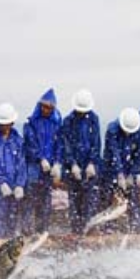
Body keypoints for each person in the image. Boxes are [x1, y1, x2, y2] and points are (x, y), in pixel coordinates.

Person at [59, 89, 102, 234]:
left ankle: (89, 231)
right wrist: (72, 164)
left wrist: (92, 162)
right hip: (73, 170)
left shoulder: (94, 119)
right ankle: (76, 232)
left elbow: (96, 143)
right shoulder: (68, 121)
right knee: (75, 203)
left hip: (90, 169)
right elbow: (66, 145)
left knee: (90, 202)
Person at [0, 103, 27, 238]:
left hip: (14, 190)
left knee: (12, 225)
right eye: (2, 123)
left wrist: (20, 184)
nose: (4, 126)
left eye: (7, 123)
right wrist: (1, 182)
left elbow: (22, 164)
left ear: (12, 123)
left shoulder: (19, 141)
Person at [22, 89, 62, 234]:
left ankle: (42, 231)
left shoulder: (57, 123)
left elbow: (60, 144)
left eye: (49, 108)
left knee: (45, 200)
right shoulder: (31, 122)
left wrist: (57, 162)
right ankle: (26, 232)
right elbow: (30, 143)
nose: (46, 110)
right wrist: (40, 158)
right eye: (44, 106)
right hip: (33, 167)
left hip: (49, 169)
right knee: (30, 199)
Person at [102, 108, 140, 232]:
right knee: (109, 196)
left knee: (133, 196)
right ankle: (108, 226)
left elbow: (139, 155)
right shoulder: (112, 130)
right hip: (110, 169)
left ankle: (135, 223)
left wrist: (134, 173)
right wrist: (119, 174)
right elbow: (114, 153)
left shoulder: (139, 132)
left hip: (129, 168)